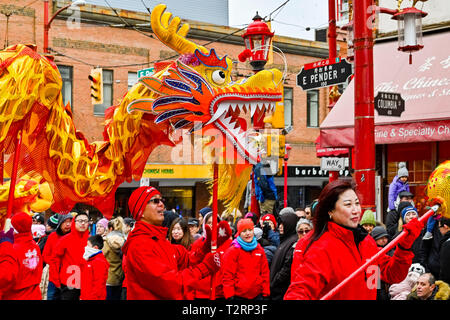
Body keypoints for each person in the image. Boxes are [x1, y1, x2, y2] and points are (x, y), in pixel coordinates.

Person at [284, 179, 423, 300]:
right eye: (348, 204)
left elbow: (393, 274)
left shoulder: (367, 243)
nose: (356, 210)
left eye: (356, 203)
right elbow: (301, 289)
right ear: (330, 211)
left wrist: (405, 246)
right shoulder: (322, 247)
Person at [121, 186, 221, 300]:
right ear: (141, 212)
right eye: (155, 201)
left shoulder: (160, 240)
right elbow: (170, 284)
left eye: (161, 200)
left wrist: (205, 247)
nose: (162, 205)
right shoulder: (139, 245)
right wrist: (205, 268)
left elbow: (186, 259)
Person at [222, 218, 270, 300]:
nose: (248, 233)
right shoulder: (233, 250)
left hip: (257, 295)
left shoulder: (259, 249)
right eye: (244, 231)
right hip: (238, 295)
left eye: (250, 230)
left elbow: (265, 273)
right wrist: (229, 294)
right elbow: (227, 275)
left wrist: (266, 292)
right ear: (239, 233)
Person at [0, 212, 43, 300]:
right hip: (34, 294)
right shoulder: (35, 245)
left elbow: (6, 278)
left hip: (16, 296)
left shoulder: (11, 248)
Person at [52, 210, 90, 300]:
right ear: (74, 222)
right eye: (80, 221)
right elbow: (55, 259)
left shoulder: (91, 240)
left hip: (86, 282)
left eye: (85, 221)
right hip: (69, 281)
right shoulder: (65, 240)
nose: (83, 223)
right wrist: (55, 279)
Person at [42, 213, 73, 300]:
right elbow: (45, 255)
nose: (68, 224)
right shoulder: (52, 236)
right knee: (52, 296)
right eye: (65, 222)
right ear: (59, 223)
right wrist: (55, 263)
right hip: (54, 274)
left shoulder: (75, 237)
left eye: (70, 222)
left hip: (70, 276)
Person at [270, 212, 299, 300]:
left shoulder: (293, 241)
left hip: (282, 290)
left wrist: (274, 282)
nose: (280, 227)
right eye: (280, 224)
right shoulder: (285, 240)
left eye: (283, 224)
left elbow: (287, 267)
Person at [103, 217, 126, 300]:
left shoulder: (106, 241)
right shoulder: (125, 241)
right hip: (120, 277)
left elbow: (102, 257)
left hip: (108, 277)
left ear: (110, 229)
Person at [80, 235, 109, 300]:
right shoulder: (90, 260)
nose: (86, 247)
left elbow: (99, 285)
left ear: (95, 247)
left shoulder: (99, 262)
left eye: (88, 245)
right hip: (86, 296)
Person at [438, 217, 450, 284]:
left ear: (445, 226)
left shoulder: (446, 244)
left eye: (439, 227)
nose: (439, 230)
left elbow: (445, 268)